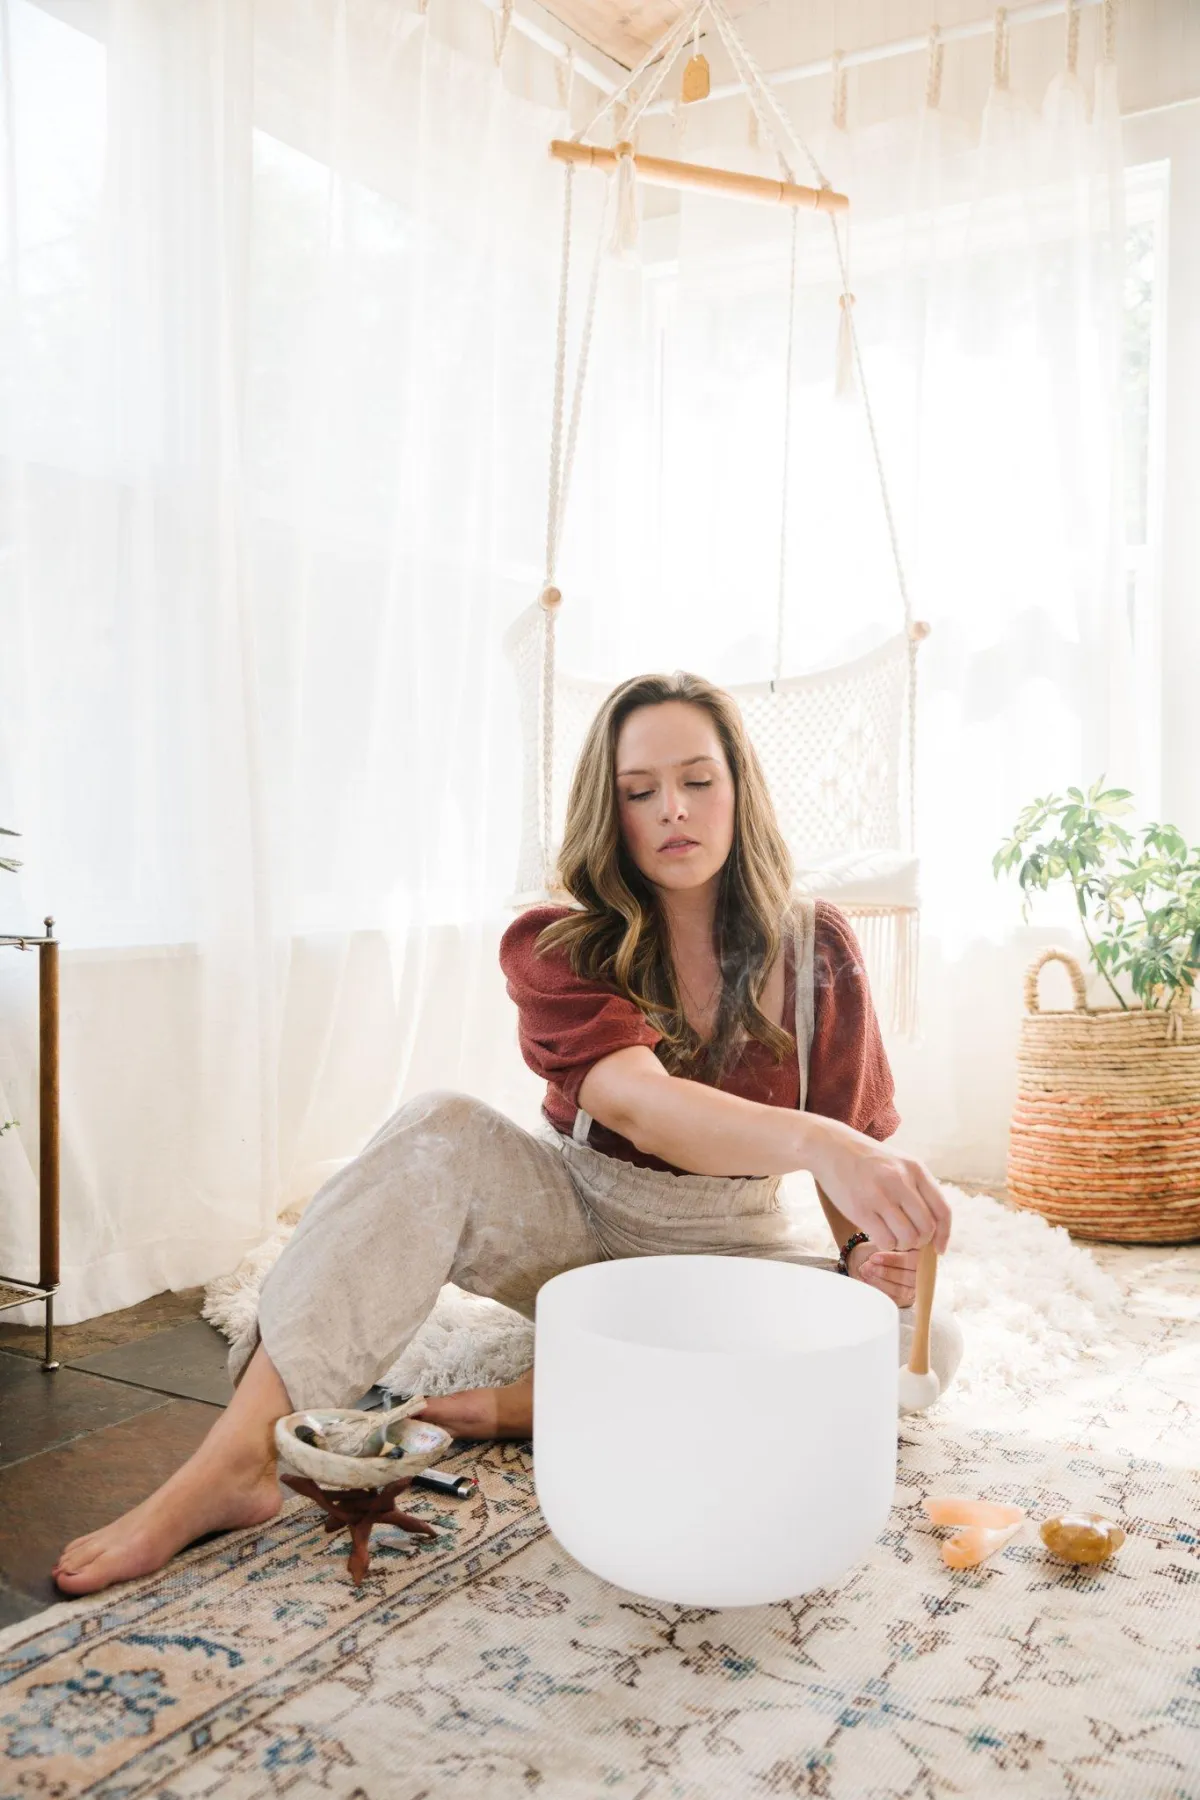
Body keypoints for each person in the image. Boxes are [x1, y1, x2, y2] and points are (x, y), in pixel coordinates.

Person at [53, 671, 959, 1597]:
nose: (674, 810)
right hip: (580, 1223)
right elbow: (641, 1106)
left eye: (698, 780)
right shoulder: (557, 939)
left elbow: (853, 1144)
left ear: (740, 789)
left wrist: (865, 1255)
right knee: (437, 1127)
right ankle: (236, 1461)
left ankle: (532, 1403)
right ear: (609, 810)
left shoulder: (819, 946)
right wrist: (823, 1144)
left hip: (734, 1252)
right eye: (639, 791)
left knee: (919, 1342)